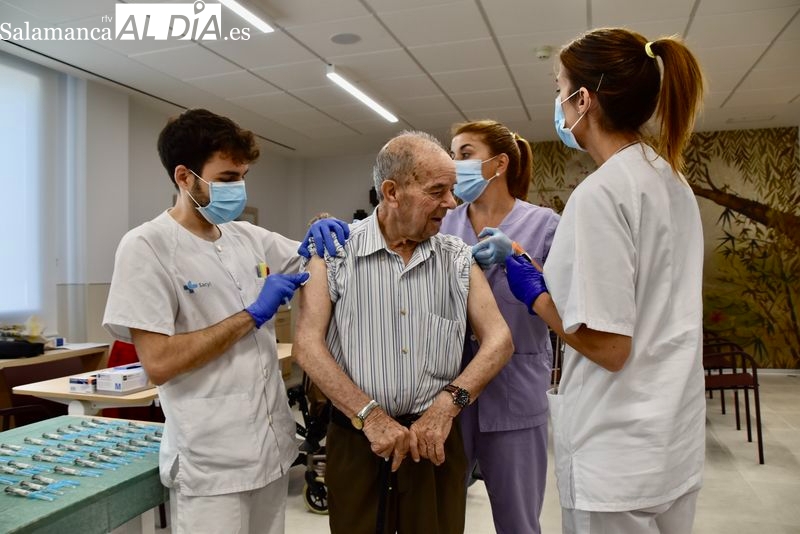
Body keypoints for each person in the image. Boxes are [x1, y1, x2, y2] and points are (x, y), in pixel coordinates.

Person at [102, 108, 346, 534]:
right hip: (210, 462)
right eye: (229, 177)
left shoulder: (245, 236)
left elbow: (314, 257)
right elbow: (158, 361)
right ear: (184, 177)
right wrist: (251, 315)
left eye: (243, 175)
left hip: (271, 451)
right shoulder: (147, 246)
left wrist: (320, 225)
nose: (239, 188)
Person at [504, 29, 706, 534]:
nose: (556, 102)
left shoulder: (602, 194)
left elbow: (610, 346)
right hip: (670, 440)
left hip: (617, 456)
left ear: (583, 99)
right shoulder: (670, 181)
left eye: (559, 88)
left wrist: (537, 296)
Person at [292, 131, 514, 534]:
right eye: (438, 190)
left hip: (434, 442)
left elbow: (499, 341)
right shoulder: (334, 255)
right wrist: (369, 415)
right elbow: (307, 347)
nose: (452, 202)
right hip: (358, 439)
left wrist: (447, 406)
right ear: (392, 192)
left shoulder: (457, 258)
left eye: (452, 189)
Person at [440, 120, 559, 534]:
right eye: (452, 154)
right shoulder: (443, 224)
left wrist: (520, 257)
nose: (455, 164)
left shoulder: (544, 224)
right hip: (450, 393)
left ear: (499, 163)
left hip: (516, 391)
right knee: (440, 513)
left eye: (465, 153)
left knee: (518, 521)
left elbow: (564, 302)